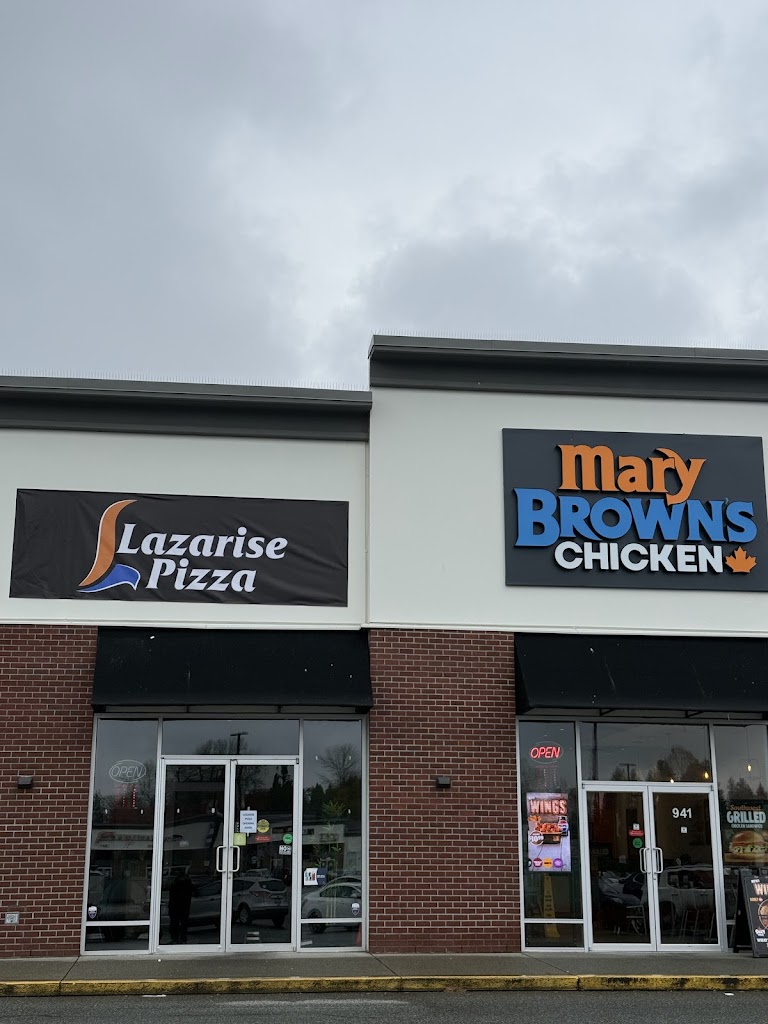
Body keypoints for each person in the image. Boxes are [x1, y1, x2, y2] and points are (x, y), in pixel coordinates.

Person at [168, 874, 193, 944]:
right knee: (182, 924)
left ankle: (176, 939)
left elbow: (172, 898)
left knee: (175, 924)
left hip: (177, 907)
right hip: (183, 908)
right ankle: (182, 939)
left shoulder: (175, 886)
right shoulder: (187, 887)